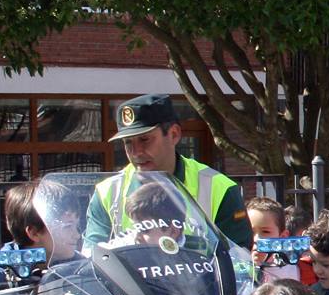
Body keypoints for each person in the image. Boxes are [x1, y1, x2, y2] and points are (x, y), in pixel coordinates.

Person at [85, 94, 252, 250]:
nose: (135, 152)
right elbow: (91, 259)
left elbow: (241, 263)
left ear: (174, 134)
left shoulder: (220, 188)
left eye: (144, 139)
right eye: (128, 143)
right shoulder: (107, 192)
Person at [0, 180, 82, 295]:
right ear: (34, 233)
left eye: (76, 225)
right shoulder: (9, 259)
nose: (77, 235)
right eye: (68, 226)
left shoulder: (78, 262)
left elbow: (92, 273)